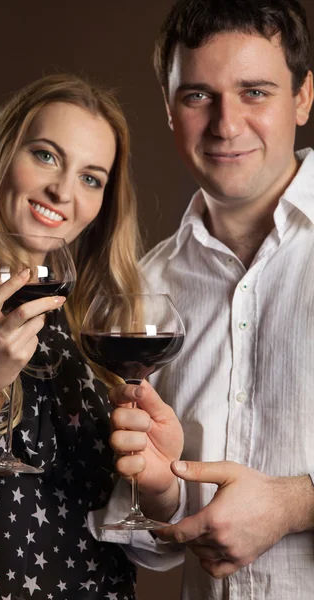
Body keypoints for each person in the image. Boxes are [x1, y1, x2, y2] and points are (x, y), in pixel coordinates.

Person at [96, 0, 314, 598]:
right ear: (170, 109)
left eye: (254, 92)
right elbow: (155, 543)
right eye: (198, 96)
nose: (225, 124)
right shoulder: (142, 290)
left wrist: (297, 504)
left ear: (302, 97)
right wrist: (162, 488)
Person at [0, 73, 143, 599]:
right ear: (0, 155)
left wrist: (157, 478)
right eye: (45, 155)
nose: (62, 191)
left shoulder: (94, 341)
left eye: (92, 178)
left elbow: (127, 535)